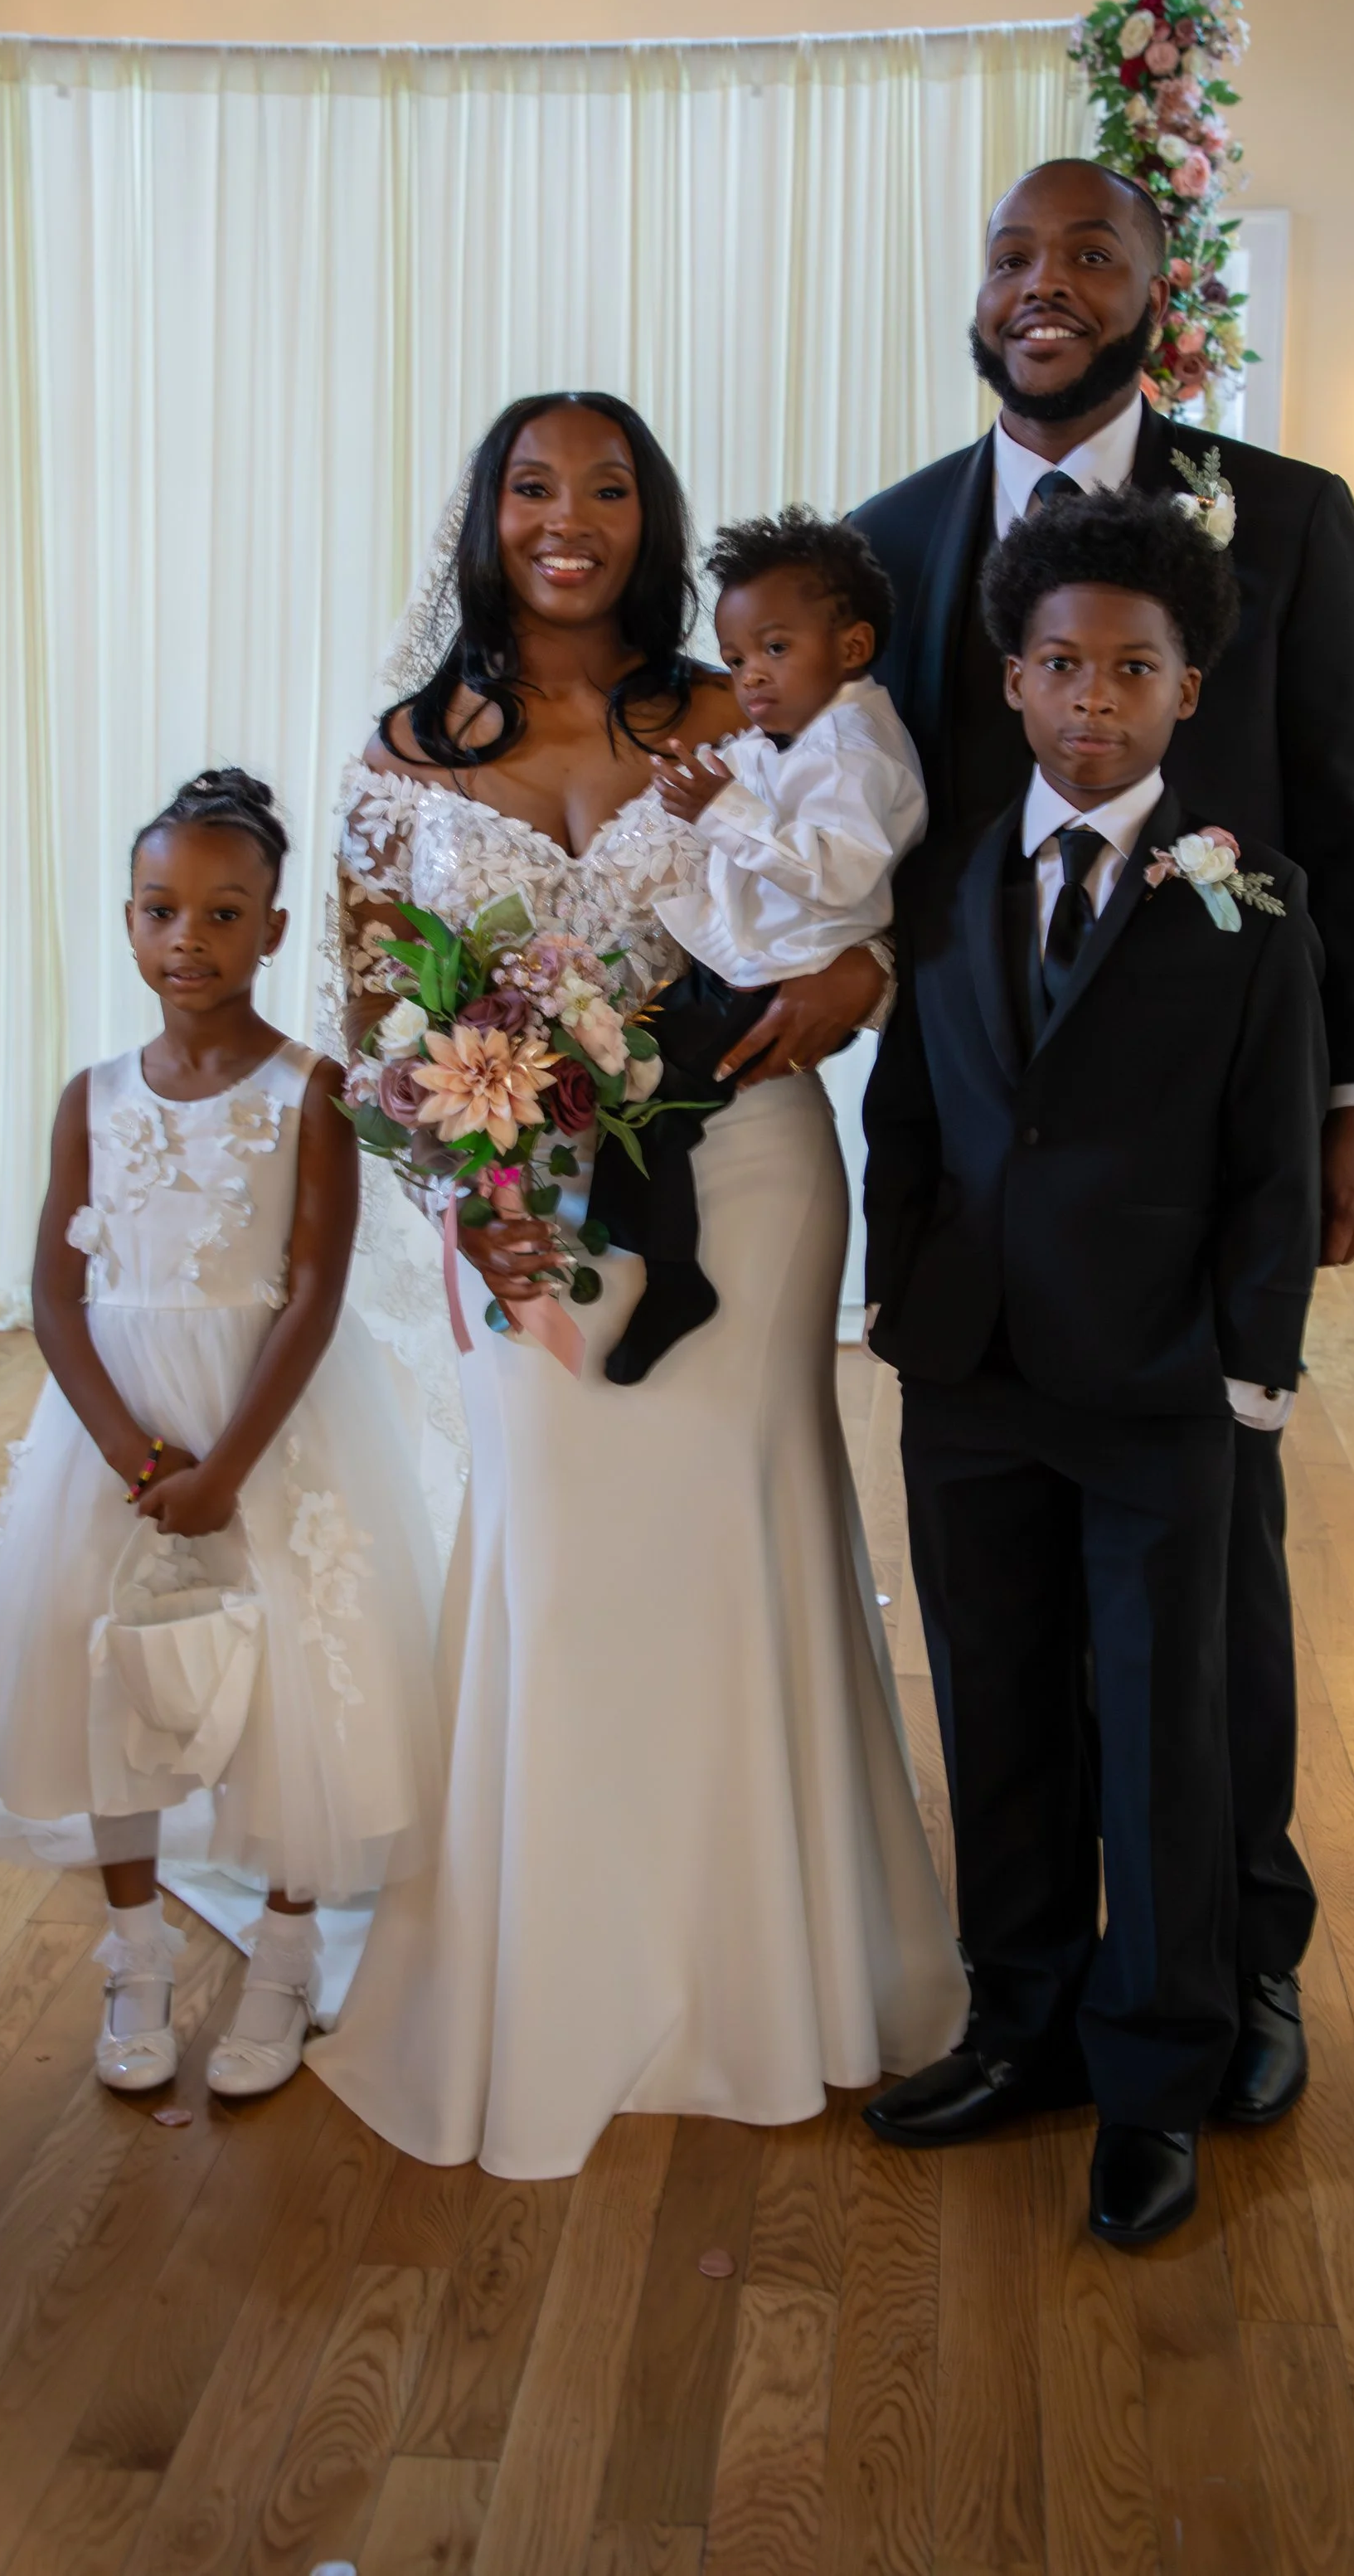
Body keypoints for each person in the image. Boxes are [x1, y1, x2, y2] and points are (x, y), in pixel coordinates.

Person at [309, 393, 967, 2180]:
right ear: (486, 517)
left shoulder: (736, 705)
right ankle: (552, 1975)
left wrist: (870, 980)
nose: (567, 519)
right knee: (561, 1552)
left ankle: (774, 1976)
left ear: (650, 519)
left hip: (747, 1178)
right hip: (527, 1206)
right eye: (533, 487)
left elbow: (870, 879)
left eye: (607, 488)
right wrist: (462, 1197)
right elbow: (370, 1021)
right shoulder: (403, 752)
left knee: (742, 1532)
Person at [843, 156, 1354, 2122]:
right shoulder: (893, 543)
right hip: (992, 1204)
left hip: (1192, 1169)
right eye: (1011, 253)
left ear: (1157, 294)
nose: (1044, 284)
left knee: (1203, 1625)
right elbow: (865, 838)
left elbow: (1350, 815)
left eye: (1090, 255)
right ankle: (1032, 1998)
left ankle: (1234, 1964)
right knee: (1006, 1640)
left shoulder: (1291, 516)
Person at [862, 489, 1326, 2244]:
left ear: (1185, 690)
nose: (1092, 699)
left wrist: (1248, 1371)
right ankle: (1023, 2024)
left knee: (1157, 1731)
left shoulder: (1250, 900)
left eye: (1132, 669)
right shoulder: (949, 879)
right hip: (971, 1371)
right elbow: (910, 1116)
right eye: (1060, 665)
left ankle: (1155, 2075)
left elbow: (1272, 1165)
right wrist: (902, 1303)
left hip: (1156, 1387)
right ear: (1012, 679)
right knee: (996, 1710)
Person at [0, 769, 440, 2102]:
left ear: (272, 928)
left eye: (223, 911)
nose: (187, 937)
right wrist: (139, 1460)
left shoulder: (311, 1090)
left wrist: (228, 1469)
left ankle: (285, 1955)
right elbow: (52, 1295)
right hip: (121, 1441)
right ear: (128, 919)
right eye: (160, 909)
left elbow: (312, 1292)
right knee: (110, 1675)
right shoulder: (91, 1095)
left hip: (268, 1427)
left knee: (297, 1681)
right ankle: (133, 1953)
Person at [593, 508, 922, 1383]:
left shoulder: (857, 749)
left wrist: (722, 810)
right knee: (635, 1083)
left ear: (852, 646)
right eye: (736, 659)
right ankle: (633, 1244)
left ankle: (667, 1274)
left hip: (785, 977)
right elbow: (764, 781)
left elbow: (839, 872)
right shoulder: (813, 733)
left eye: (775, 649)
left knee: (641, 1094)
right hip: (756, 962)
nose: (750, 677)